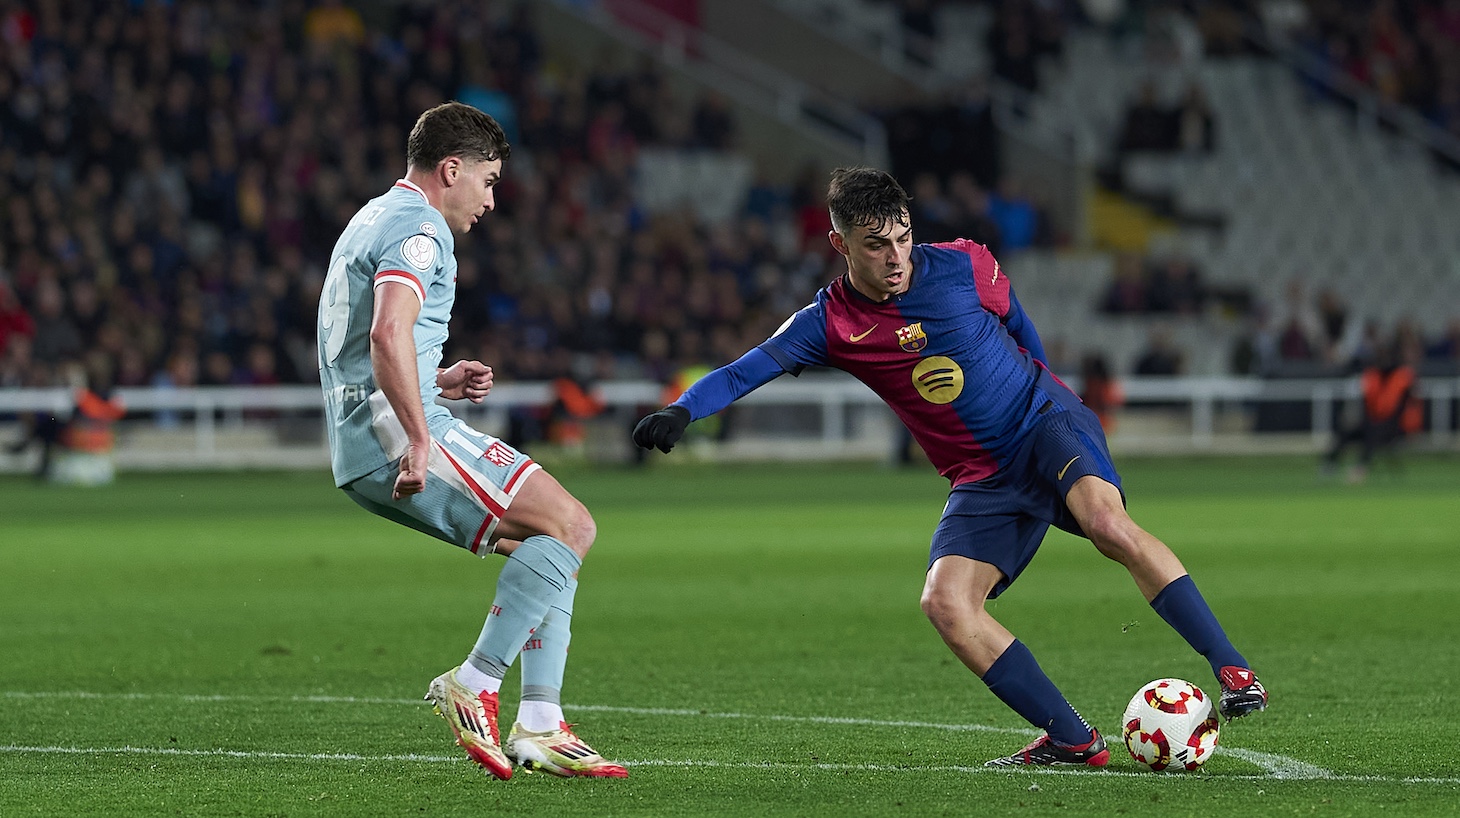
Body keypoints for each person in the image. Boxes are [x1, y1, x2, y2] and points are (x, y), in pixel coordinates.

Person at [632, 167, 1267, 768]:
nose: (897, 257)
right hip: (982, 476)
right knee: (946, 604)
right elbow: (747, 369)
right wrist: (683, 410)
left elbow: (1020, 328)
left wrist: (1052, 396)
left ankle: (1233, 669)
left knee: (1105, 523)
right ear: (839, 243)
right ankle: (1073, 741)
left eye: (904, 238)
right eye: (877, 245)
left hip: (1043, 423)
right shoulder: (829, 323)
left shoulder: (965, 262)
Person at [316, 102, 626, 780]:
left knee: (549, 544)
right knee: (573, 521)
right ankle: (478, 682)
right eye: (486, 181)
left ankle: (541, 721)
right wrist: (421, 436)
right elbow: (386, 333)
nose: (491, 199)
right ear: (450, 168)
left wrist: (437, 379)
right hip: (397, 436)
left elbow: (364, 340)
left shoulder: (372, 215)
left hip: (366, 433)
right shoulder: (422, 229)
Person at [1322, 340, 1422, 482]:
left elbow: (1406, 408)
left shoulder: (1404, 377)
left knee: (1373, 434)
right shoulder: (1372, 376)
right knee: (1347, 432)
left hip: (1396, 426)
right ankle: (1329, 465)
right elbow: (1366, 404)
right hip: (1374, 422)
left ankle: (1360, 469)